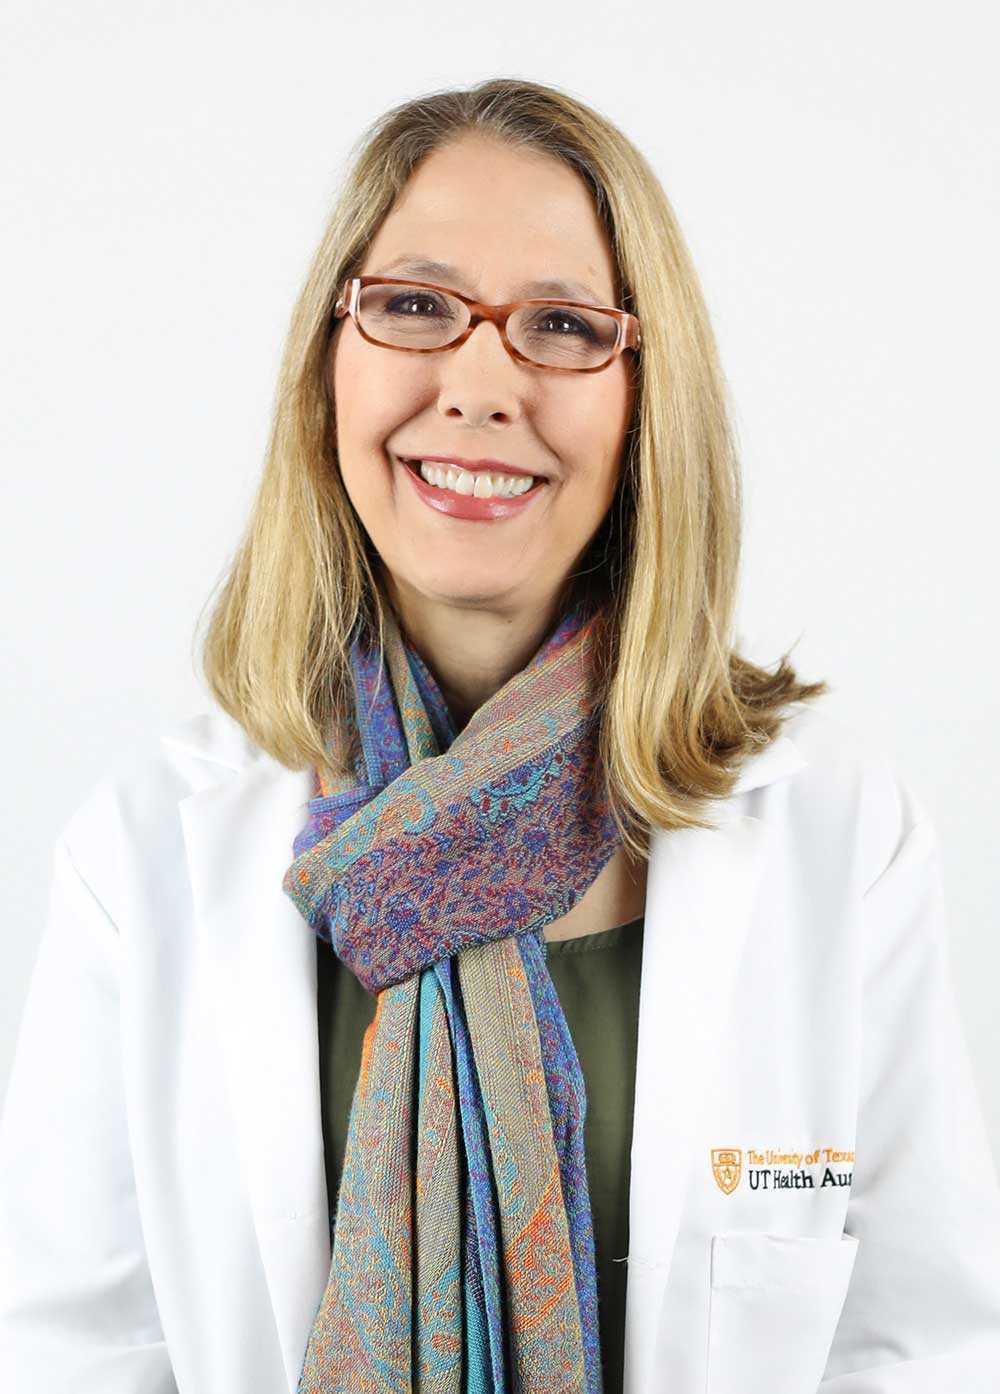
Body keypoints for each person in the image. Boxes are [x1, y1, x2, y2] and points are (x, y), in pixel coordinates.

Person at [2, 77, 998, 1394]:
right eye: (414, 306)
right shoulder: (137, 862)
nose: (477, 385)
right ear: (329, 358)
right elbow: (76, 1358)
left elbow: (914, 1352)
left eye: (563, 326)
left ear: (651, 399)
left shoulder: (844, 849)